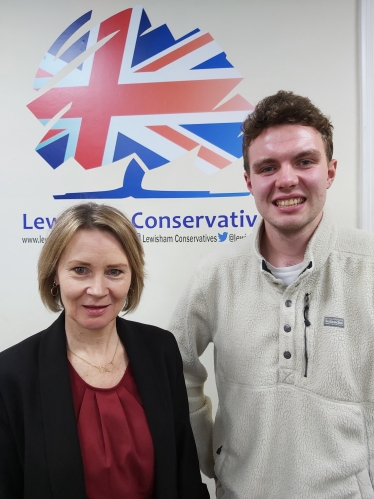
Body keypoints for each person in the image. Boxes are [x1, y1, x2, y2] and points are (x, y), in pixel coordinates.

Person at [170, 91, 374, 498]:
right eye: (268, 167)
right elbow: (176, 373)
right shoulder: (215, 276)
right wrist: (214, 456)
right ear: (249, 181)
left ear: (330, 171)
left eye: (304, 161)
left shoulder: (367, 266)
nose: (286, 179)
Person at [0, 202, 209, 499]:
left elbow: (184, 473)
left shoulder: (160, 350)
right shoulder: (11, 374)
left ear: (131, 277)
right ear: (55, 274)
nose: (97, 290)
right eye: (80, 270)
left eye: (114, 272)